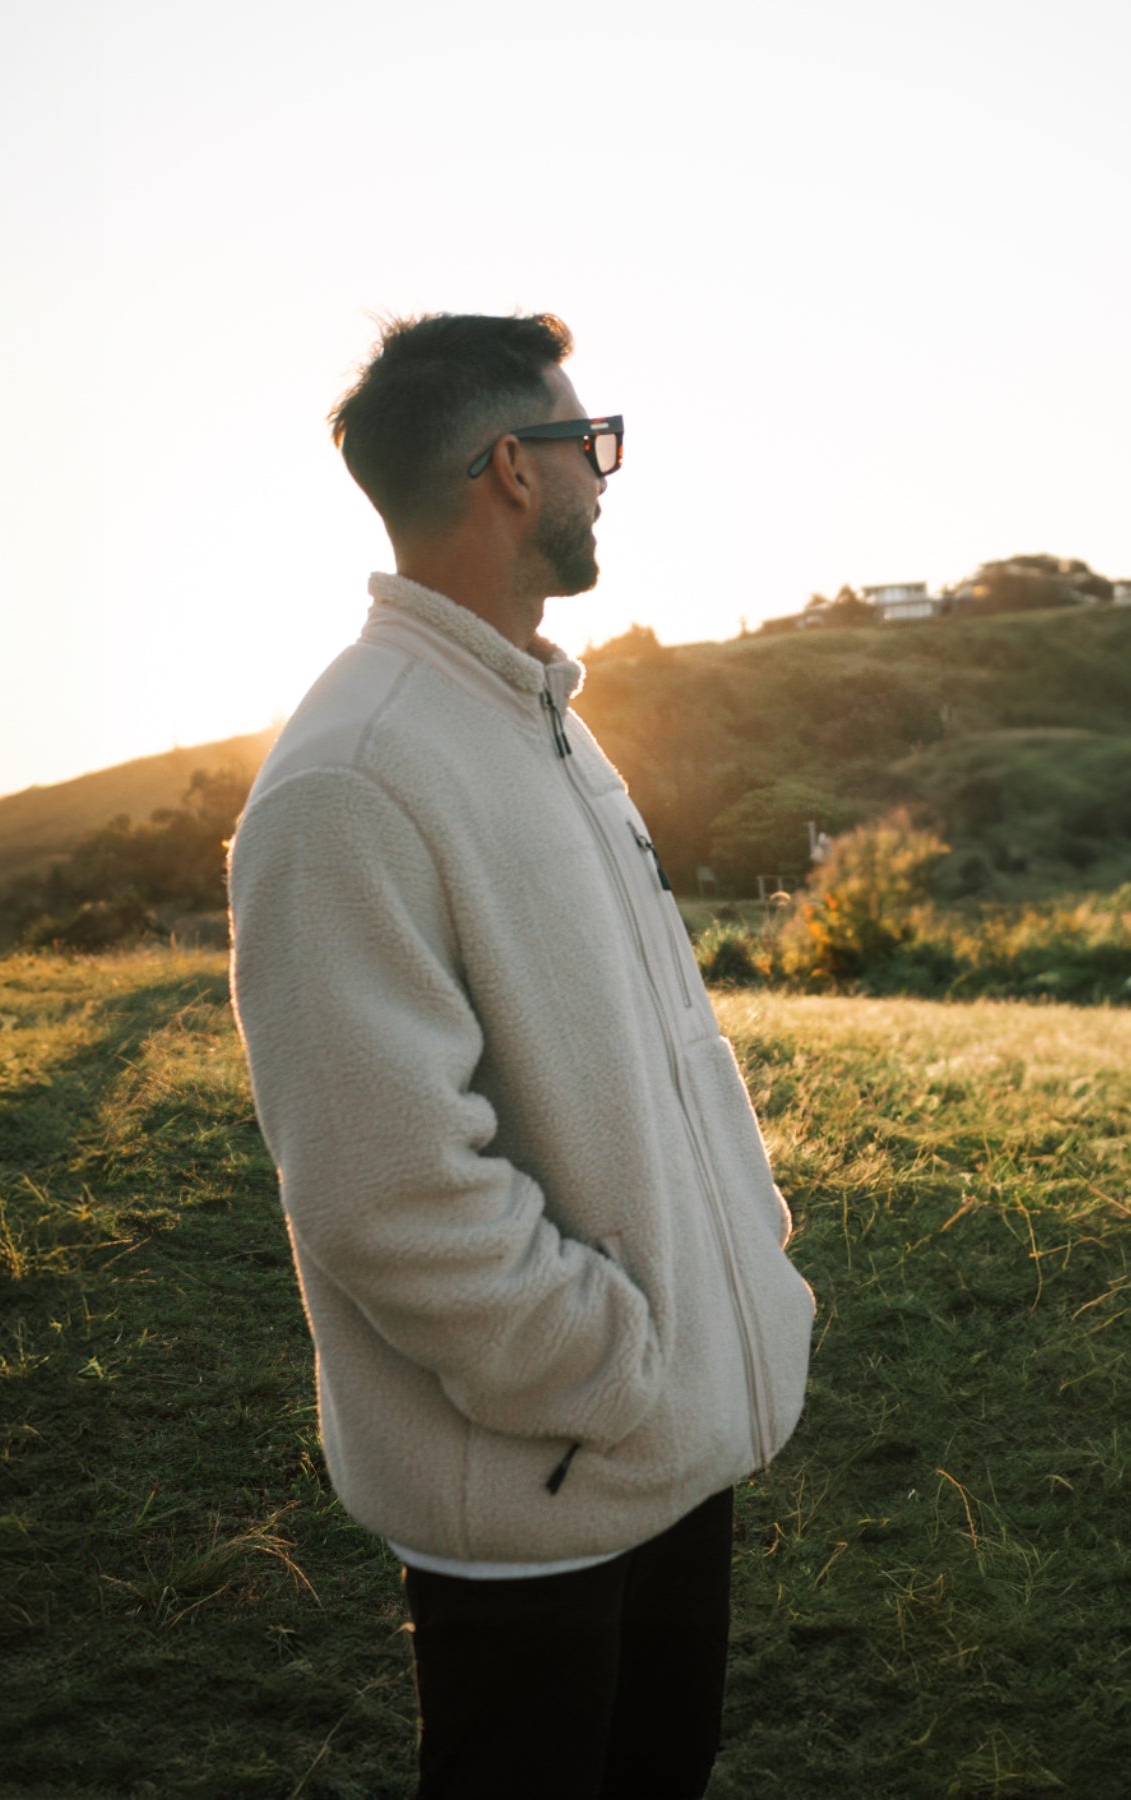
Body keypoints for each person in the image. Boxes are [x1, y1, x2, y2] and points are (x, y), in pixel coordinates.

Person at [227, 312, 814, 1800]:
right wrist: (614, 1369)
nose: (602, 476)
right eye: (587, 442)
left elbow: (656, 1051)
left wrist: (733, 1283)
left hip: (660, 1450)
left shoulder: (540, 718)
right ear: (510, 467)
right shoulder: (351, 777)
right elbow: (384, 1192)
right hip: (543, 1488)